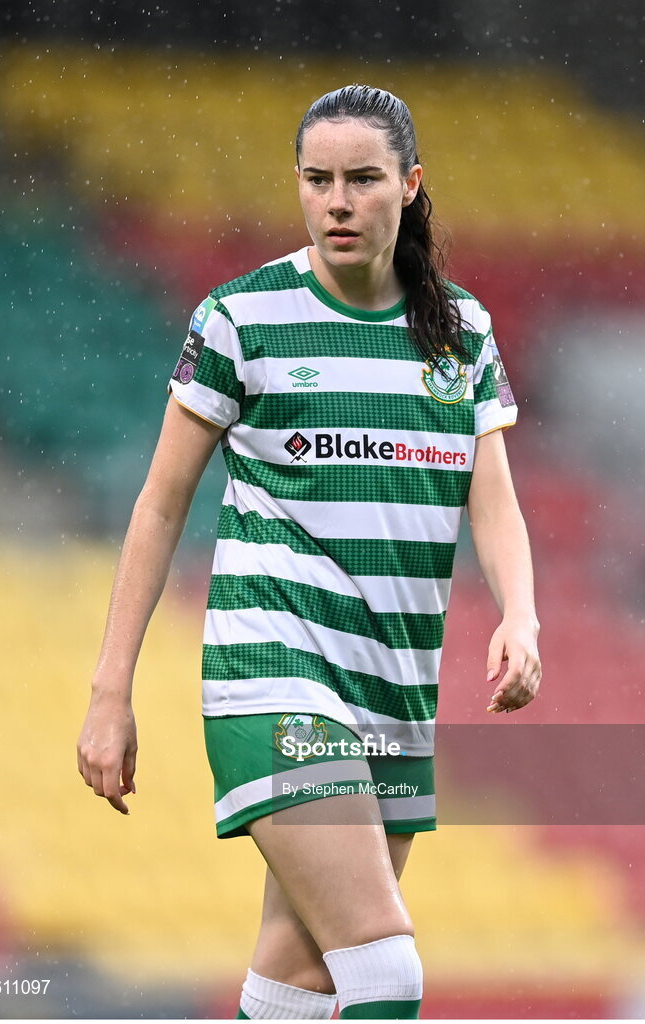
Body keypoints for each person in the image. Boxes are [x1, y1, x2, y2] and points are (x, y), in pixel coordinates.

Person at [77, 84, 541, 1020]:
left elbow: (492, 499)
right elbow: (161, 507)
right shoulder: (241, 319)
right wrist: (110, 692)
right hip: (274, 677)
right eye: (317, 179)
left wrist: (522, 617)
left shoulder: (462, 332)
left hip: (392, 687)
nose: (337, 201)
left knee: (300, 981)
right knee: (385, 975)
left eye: (362, 179)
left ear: (410, 186)